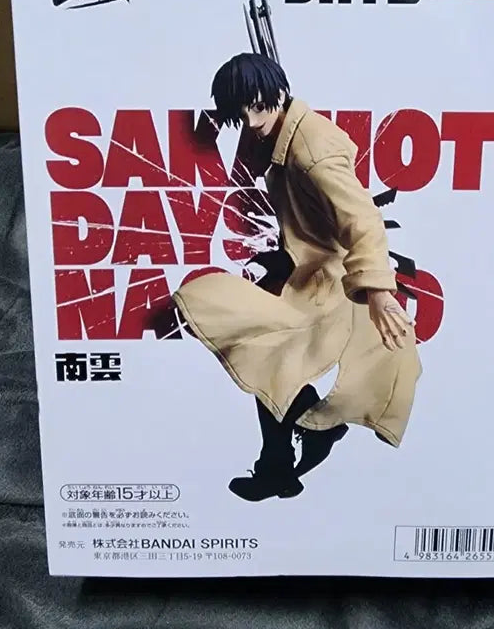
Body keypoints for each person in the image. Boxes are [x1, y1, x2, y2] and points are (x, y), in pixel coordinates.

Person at [172, 53, 421, 501]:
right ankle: (283, 459)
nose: (252, 121)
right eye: (241, 114)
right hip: (305, 267)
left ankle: (300, 442)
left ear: (280, 93)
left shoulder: (311, 149)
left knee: (263, 350)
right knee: (262, 352)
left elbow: (362, 217)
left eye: (258, 107)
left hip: (333, 282)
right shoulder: (283, 135)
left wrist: (380, 291)